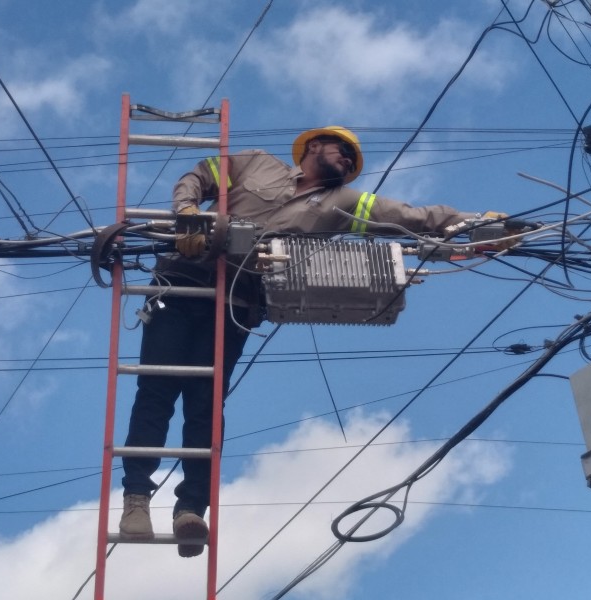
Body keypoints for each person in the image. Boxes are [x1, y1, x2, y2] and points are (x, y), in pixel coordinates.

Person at [118, 126, 511, 557]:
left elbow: (407, 216)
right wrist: (188, 210)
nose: (346, 158)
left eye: (351, 157)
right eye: (340, 149)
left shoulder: (342, 203)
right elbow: (199, 176)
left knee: (206, 403)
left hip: (235, 301)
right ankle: (136, 500)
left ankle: (191, 509)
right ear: (312, 148)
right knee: (155, 390)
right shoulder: (254, 162)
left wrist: (475, 224)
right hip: (182, 283)